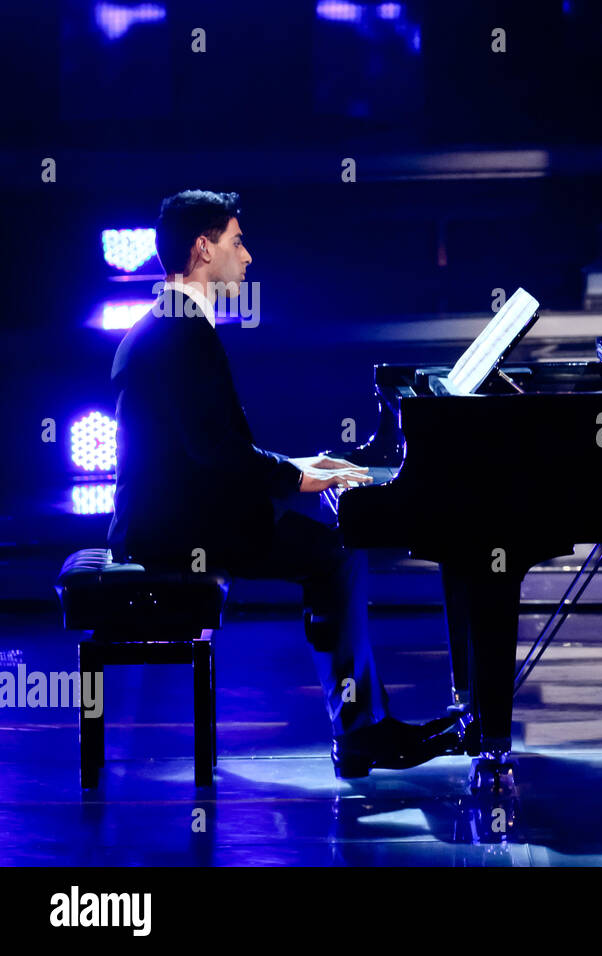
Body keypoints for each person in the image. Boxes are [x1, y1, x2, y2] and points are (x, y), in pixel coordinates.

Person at [107, 189, 460, 777]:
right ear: (202, 249)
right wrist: (295, 476)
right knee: (336, 553)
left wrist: (301, 467)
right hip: (172, 530)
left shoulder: (172, 324)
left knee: (328, 543)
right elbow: (215, 454)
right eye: (236, 241)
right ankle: (361, 731)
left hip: (178, 513)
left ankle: (361, 726)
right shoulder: (181, 333)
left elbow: (216, 448)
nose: (247, 258)